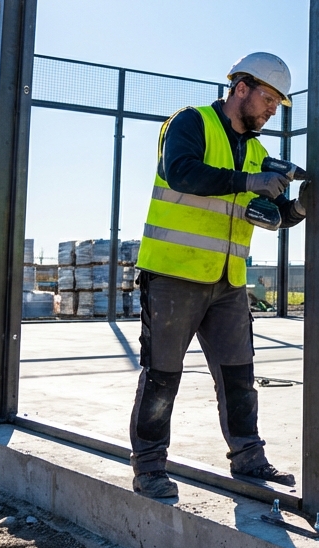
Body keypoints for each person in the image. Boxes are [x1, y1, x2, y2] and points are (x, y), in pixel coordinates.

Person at [128, 52, 307, 499]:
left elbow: (268, 212)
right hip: (173, 275)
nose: (271, 110)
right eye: (268, 99)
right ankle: (149, 468)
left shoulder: (258, 151)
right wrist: (248, 184)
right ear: (241, 88)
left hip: (228, 281)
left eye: (277, 104)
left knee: (238, 376)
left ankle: (248, 458)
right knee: (162, 376)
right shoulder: (190, 122)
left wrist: (300, 208)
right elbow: (181, 172)